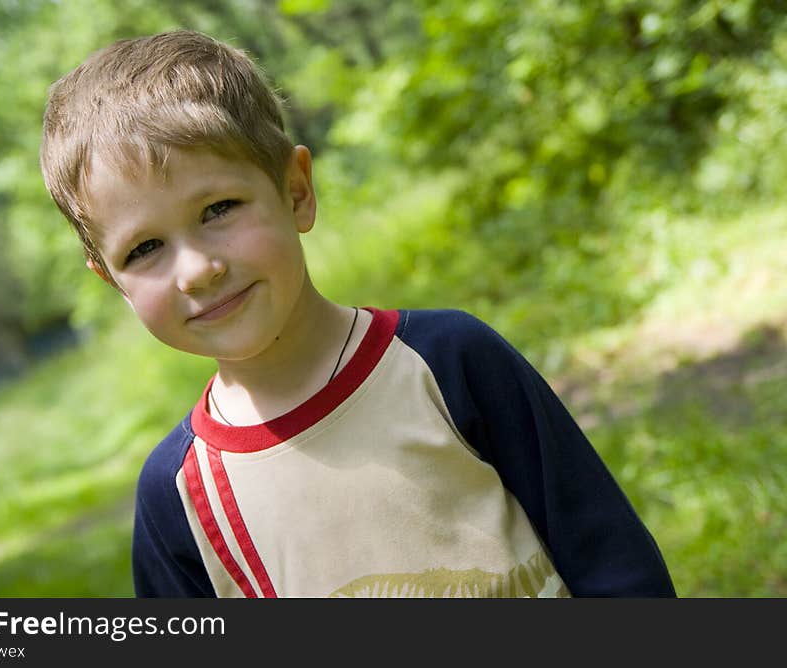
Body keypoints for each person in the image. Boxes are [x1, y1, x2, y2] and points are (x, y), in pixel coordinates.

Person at [40, 30, 675, 598]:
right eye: (145, 249)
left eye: (219, 209)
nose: (198, 268)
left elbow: (608, 555)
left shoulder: (446, 360)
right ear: (113, 282)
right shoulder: (179, 495)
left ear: (296, 192)